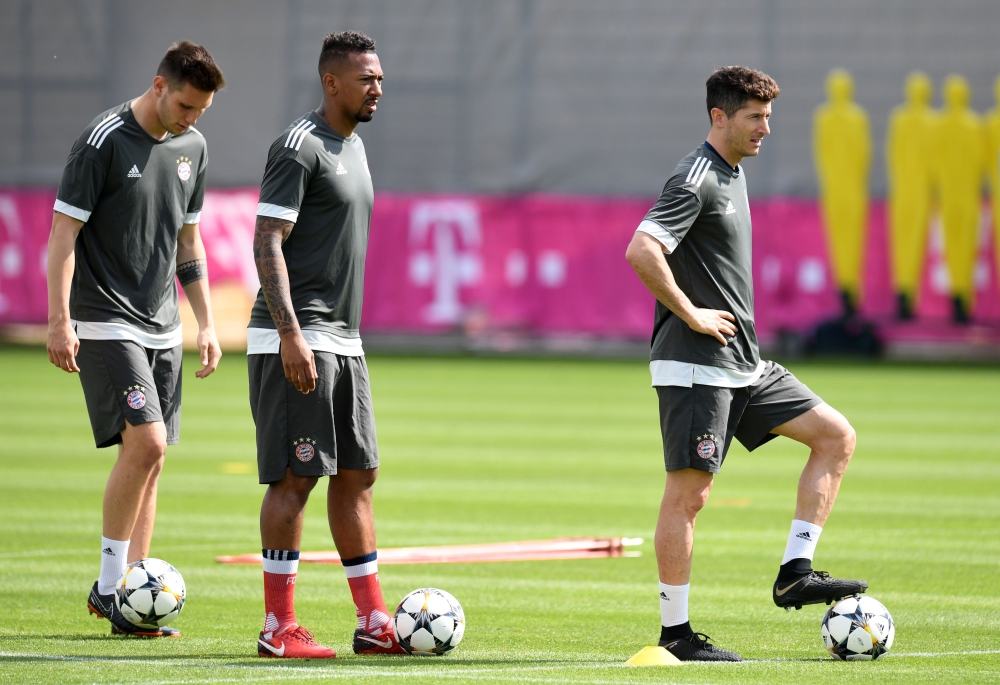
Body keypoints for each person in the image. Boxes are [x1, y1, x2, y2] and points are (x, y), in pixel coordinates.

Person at [624, 66, 867, 662]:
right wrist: (692, 315)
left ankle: (795, 572)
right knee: (690, 496)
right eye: (754, 117)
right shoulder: (696, 178)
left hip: (745, 363)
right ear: (719, 116)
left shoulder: (732, 175)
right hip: (696, 365)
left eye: (768, 117)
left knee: (836, 437)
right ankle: (676, 636)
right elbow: (641, 249)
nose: (765, 128)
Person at [46, 41, 225, 637]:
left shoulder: (193, 147)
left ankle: (134, 601)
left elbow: (188, 244)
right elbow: (63, 235)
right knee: (145, 443)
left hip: (164, 324)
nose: (191, 117)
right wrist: (58, 319)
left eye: (200, 109)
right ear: (157, 85)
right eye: (184, 104)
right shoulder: (101, 141)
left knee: (153, 458)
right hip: (104, 320)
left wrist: (204, 323)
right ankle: (107, 587)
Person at [248, 30, 403, 659]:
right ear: (331, 81)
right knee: (295, 478)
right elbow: (265, 242)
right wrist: (290, 334)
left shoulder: (356, 146)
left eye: (381, 78)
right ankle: (277, 627)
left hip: (345, 338)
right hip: (298, 335)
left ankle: (372, 621)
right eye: (366, 78)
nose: (378, 88)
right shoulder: (298, 146)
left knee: (359, 475)